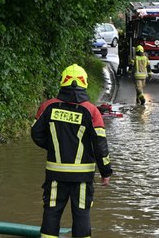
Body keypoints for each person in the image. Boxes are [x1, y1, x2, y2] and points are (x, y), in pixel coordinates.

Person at [31, 64, 113, 238]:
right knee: (82, 214)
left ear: (63, 82)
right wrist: (106, 171)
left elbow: (36, 134)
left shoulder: (48, 106)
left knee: (51, 212)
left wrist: (54, 145)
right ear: (84, 83)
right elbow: (100, 145)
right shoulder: (91, 111)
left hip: (55, 174)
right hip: (82, 177)